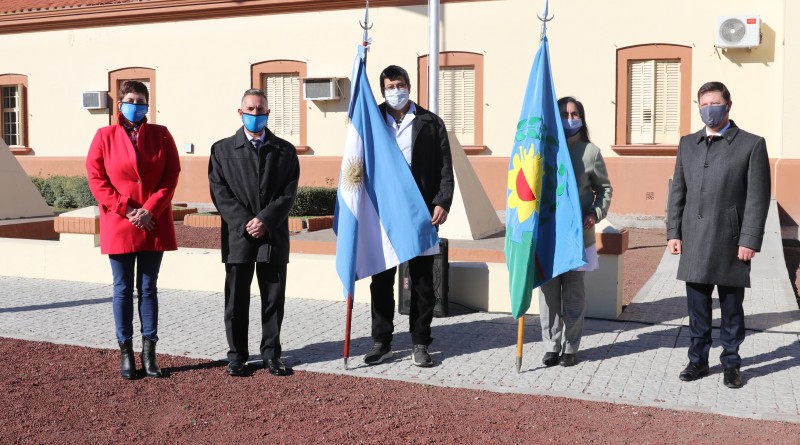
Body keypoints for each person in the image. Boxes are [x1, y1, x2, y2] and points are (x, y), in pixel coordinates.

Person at [667, 81, 770, 389]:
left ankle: (732, 364)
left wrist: (749, 239)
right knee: (697, 308)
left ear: (728, 105)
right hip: (695, 240)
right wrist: (673, 232)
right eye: (703, 104)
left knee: (731, 309)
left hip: (731, 241)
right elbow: (677, 191)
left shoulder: (751, 144)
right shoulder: (688, 143)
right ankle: (697, 361)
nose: (709, 109)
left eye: (714, 103)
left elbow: (758, 197)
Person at [86, 80, 181, 379]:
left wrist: (150, 209)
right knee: (123, 288)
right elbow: (96, 179)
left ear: (148, 105)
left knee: (149, 288)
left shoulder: (161, 134)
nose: (136, 106)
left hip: (153, 222)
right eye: (130, 100)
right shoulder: (104, 136)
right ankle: (126, 352)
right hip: (120, 222)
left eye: (141, 101)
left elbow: (171, 175)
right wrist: (127, 209)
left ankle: (149, 353)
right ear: (120, 104)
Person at [363, 65, 454, 368]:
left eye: (399, 85)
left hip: (421, 212)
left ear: (409, 86)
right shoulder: (371, 120)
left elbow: (445, 167)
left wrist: (442, 201)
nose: (395, 91)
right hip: (383, 213)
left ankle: (420, 342)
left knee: (422, 282)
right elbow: (357, 161)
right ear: (382, 90)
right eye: (389, 86)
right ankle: (382, 341)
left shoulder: (430, 122)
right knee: (381, 280)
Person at [208, 88, 300, 377]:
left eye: (260, 110)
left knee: (273, 300)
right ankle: (237, 356)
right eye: (250, 109)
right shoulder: (222, 150)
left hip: (273, 237)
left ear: (268, 113)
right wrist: (247, 221)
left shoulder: (285, 151)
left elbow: (288, 193)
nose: (255, 114)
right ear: (240, 112)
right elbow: (219, 192)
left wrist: (265, 220)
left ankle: (272, 355)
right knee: (236, 301)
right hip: (239, 238)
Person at [539, 97, 613, 368]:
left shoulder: (590, 152)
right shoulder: (544, 148)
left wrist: (595, 213)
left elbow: (604, 189)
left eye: (574, 114)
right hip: (549, 235)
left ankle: (570, 347)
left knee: (573, 295)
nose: (570, 119)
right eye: (563, 114)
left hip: (578, 236)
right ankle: (551, 346)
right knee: (548, 294)